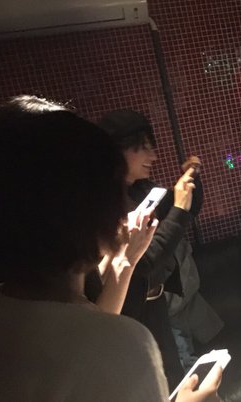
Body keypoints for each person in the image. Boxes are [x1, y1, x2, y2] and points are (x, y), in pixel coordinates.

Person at [0, 96, 222, 402]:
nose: (153, 155)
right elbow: (92, 341)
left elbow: (88, 326)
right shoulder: (122, 346)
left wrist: (124, 262)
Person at [97, 110, 223, 388]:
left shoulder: (140, 189)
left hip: (159, 302)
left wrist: (191, 181)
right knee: (163, 382)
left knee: (179, 374)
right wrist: (178, 209)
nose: (153, 156)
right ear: (116, 151)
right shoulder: (104, 206)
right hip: (135, 313)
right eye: (143, 148)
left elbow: (184, 213)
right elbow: (143, 264)